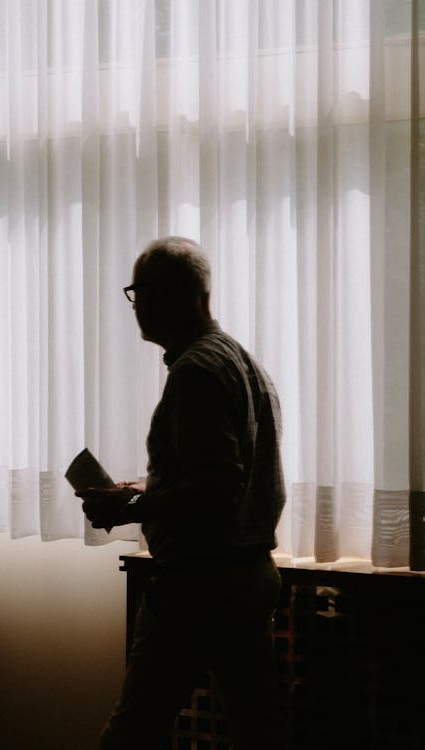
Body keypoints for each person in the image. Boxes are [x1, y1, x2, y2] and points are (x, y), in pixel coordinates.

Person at [77, 236, 287, 750]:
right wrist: (149, 486)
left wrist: (129, 506)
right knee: (257, 730)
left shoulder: (194, 371)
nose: (137, 306)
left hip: (199, 584)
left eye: (142, 291)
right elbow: (224, 474)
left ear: (186, 296)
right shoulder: (240, 361)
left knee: (134, 733)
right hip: (248, 575)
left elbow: (216, 493)